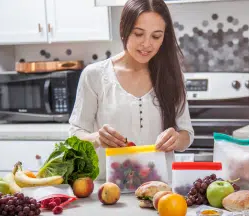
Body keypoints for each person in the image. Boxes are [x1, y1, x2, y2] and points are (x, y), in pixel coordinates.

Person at [68, 0, 194, 182]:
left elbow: (186, 134)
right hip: (109, 192)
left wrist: (176, 139)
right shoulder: (95, 75)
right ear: (124, 30)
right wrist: (97, 138)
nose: (147, 44)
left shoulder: (173, 77)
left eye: (156, 36)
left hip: (160, 191)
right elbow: (74, 137)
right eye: (138, 34)